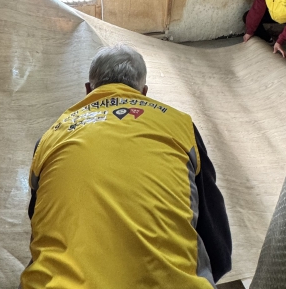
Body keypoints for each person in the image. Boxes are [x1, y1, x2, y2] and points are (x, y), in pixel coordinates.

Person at [20, 44, 232, 289]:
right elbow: (214, 232)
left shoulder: (51, 136)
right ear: (144, 91)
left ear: (88, 89)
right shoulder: (181, 127)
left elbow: (39, 221)